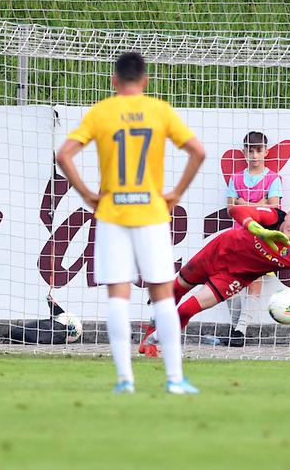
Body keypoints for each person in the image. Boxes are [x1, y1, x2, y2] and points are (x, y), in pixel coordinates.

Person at [56, 51, 206, 394]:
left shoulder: (101, 111)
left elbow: (64, 154)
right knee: (164, 295)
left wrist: (87, 195)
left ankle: (125, 379)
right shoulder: (159, 110)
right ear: (145, 81)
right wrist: (176, 193)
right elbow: (198, 151)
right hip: (151, 212)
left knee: (117, 297)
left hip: (112, 213)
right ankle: (174, 379)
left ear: (114, 81)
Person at [138, 204, 290, 352]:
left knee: (187, 310)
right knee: (175, 291)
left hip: (232, 278)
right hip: (216, 253)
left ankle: (159, 340)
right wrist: (258, 229)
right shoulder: (272, 216)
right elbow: (235, 210)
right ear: (287, 216)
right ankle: (149, 339)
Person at [225, 130, 284, 346]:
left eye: (259, 150)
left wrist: (245, 205)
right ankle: (235, 326)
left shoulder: (273, 178)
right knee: (229, 279)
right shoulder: (236, 178)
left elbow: (275, 208)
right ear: (244, 152)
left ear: (266, 152)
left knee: (254, 280)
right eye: (251, 150)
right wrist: (259, 203)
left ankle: (241, 329)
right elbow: (231, 207)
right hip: (238, 237)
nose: (255, 155)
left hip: (261, 238)